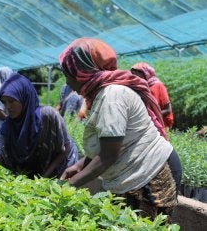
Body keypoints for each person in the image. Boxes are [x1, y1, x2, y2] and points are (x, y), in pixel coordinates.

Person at [58, 37, 181, 220]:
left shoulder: (112, 96)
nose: (67, 83)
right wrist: (78, 165)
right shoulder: (101, 94)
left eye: (69, 75)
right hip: (130, 175)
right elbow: (109, 144)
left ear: (82, 73)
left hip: (150, 175)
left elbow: (108, 155)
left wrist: (71, 185)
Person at [0, 74, 79, 181]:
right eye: (4, 102)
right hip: (40, 170)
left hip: (64, 165)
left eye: (11, 101)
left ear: (24, 98)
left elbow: (65, 148)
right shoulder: (9, 126)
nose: (8, 106)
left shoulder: (48, 115)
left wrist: (43, 178)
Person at [131, 62, 174, 129]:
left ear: (146, 74)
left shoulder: (158, 86)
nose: (135, 77)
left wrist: (151, 117)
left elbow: (167, 109)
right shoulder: (138, 87)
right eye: (133, 75)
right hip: (147, 123)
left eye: (137, 75)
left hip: (162, 122)